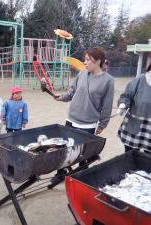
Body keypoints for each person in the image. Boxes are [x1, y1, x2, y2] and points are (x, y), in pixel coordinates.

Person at [54, 47, 114, 176]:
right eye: (85, 59)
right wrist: (62, 97)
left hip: (88, 124)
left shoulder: (108, 80)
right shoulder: (81, 74)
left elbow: (107, 106)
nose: (85, 62)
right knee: (65, 149)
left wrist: (103, 124)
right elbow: (72, 93)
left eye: (88, 60)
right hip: (71, 119)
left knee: (83, 154)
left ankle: (81, 177)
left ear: (98, 61)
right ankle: (60, 172)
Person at [117, 61, 151, 152]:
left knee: (148, 160)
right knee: (130, 156)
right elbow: (126, 96)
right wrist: (123, 104)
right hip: (134, 127)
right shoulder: (139, 80)